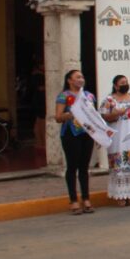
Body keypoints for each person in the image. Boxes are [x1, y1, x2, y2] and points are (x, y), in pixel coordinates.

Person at [100, 75, 130, 206]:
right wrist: (118, 112)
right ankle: (120, 196)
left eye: (126, 82)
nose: (125, 84)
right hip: (117, 139)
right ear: (116, 86)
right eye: (122, 83)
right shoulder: (109, 100)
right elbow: (105, 117)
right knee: (119, 167)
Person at [53, 70, 97, 215]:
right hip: (71, 134)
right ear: (69, 81)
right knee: (72, 167)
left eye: (82, 77)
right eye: (77, 77)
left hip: (87, 133)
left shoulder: (89, 96)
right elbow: (58, 117)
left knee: (84, 167)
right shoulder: (64, 96)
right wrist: (73, 113)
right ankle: (73, 200)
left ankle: (86, 198)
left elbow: (94, 116)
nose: (81, 79)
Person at [29, 63, 46, 150]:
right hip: (40, 101)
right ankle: (42, 142)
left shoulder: (35, 75)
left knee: (38, 121)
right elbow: (40, 88)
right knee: (42, 122)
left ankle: (39, 141)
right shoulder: (38, 76)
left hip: (36, 101)